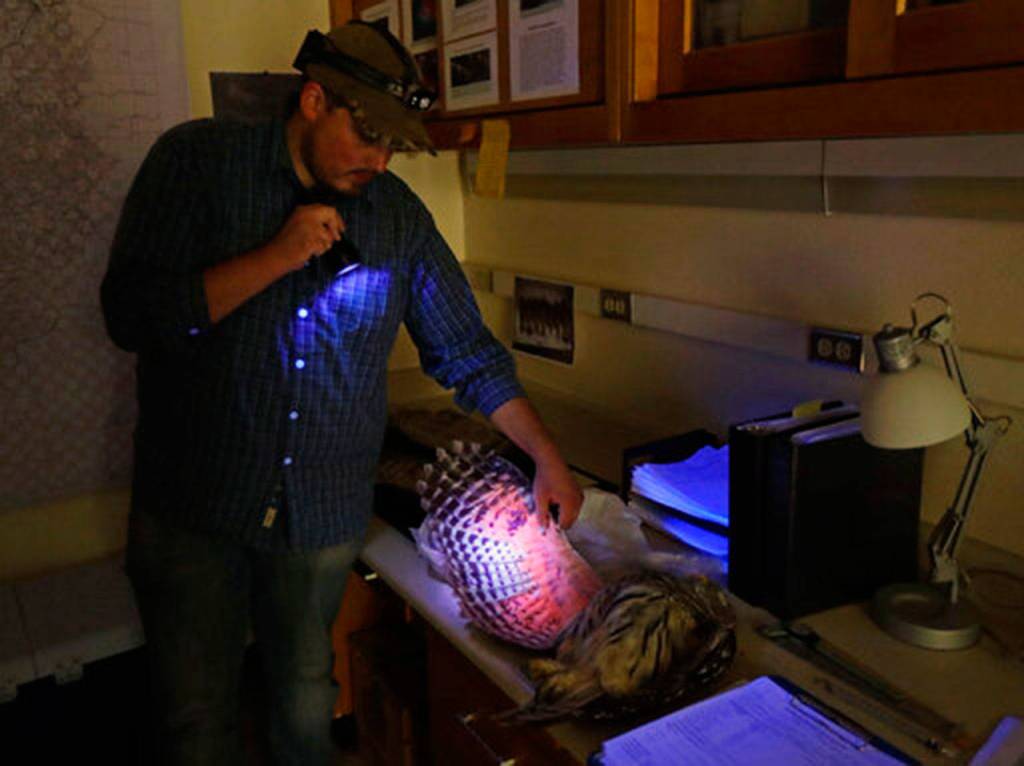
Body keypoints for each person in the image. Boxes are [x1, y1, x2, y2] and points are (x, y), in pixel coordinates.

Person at [100, 20, 582, 766]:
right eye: (368, 135)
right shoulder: (196, 163)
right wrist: (276, 256)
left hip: (321, 510)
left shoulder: (396, 216)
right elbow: (132, 315)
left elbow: (464, 350)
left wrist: (546, 455)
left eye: (394, 145)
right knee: (196, 716)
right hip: (194, 501)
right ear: (314, 101)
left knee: (305, 700)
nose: (380, 160)